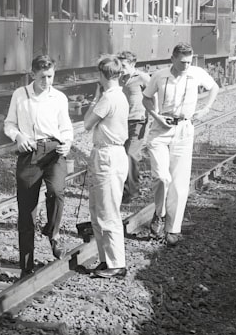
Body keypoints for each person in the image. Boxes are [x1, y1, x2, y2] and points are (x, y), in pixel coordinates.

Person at [4, 54, 75, 277]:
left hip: (54, 151)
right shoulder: (20, 95)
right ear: (33, 74)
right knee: (27, 211)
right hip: (29, 152)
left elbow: (66, 127)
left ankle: (52, 233)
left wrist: (68, 144)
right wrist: (18, 137)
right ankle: (26, 265)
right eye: (43, 76)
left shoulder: (59, 97)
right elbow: (9, 124)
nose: (47, 81)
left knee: (57, 191)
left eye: (51, 76)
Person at [142, 43, 219, 246]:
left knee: (179, 182)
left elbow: (214, 87)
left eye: (189, 61)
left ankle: (172, 229)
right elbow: (146, 98)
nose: (186, 65)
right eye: (183, 62)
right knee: (161, 177)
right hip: (161, 129)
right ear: (173, 59)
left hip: (184, 129)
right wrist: (156, 117)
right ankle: (159, 213)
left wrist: (206, 109)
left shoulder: (196, 73)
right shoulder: (159, 75)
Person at [83, 55, 129, 278]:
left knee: (107, 212)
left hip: (107, 155)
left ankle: (116, 263)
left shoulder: (107, 99)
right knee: (99, 210)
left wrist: (94, 99)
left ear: (101, 75)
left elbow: (86, 123)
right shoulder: (120, 96)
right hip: (113, 153)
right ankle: (106, 259)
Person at [117, 50, 151, 203]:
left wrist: (153, 117)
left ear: (132, 64)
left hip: (138, 121)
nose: (121, 68)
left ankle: (133, 192)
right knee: (122, 156)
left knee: (131, 155)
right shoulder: (120, 79)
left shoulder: (143, 78)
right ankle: (124, 189)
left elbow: (153, 96)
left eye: (123, 65)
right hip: (122, 122)